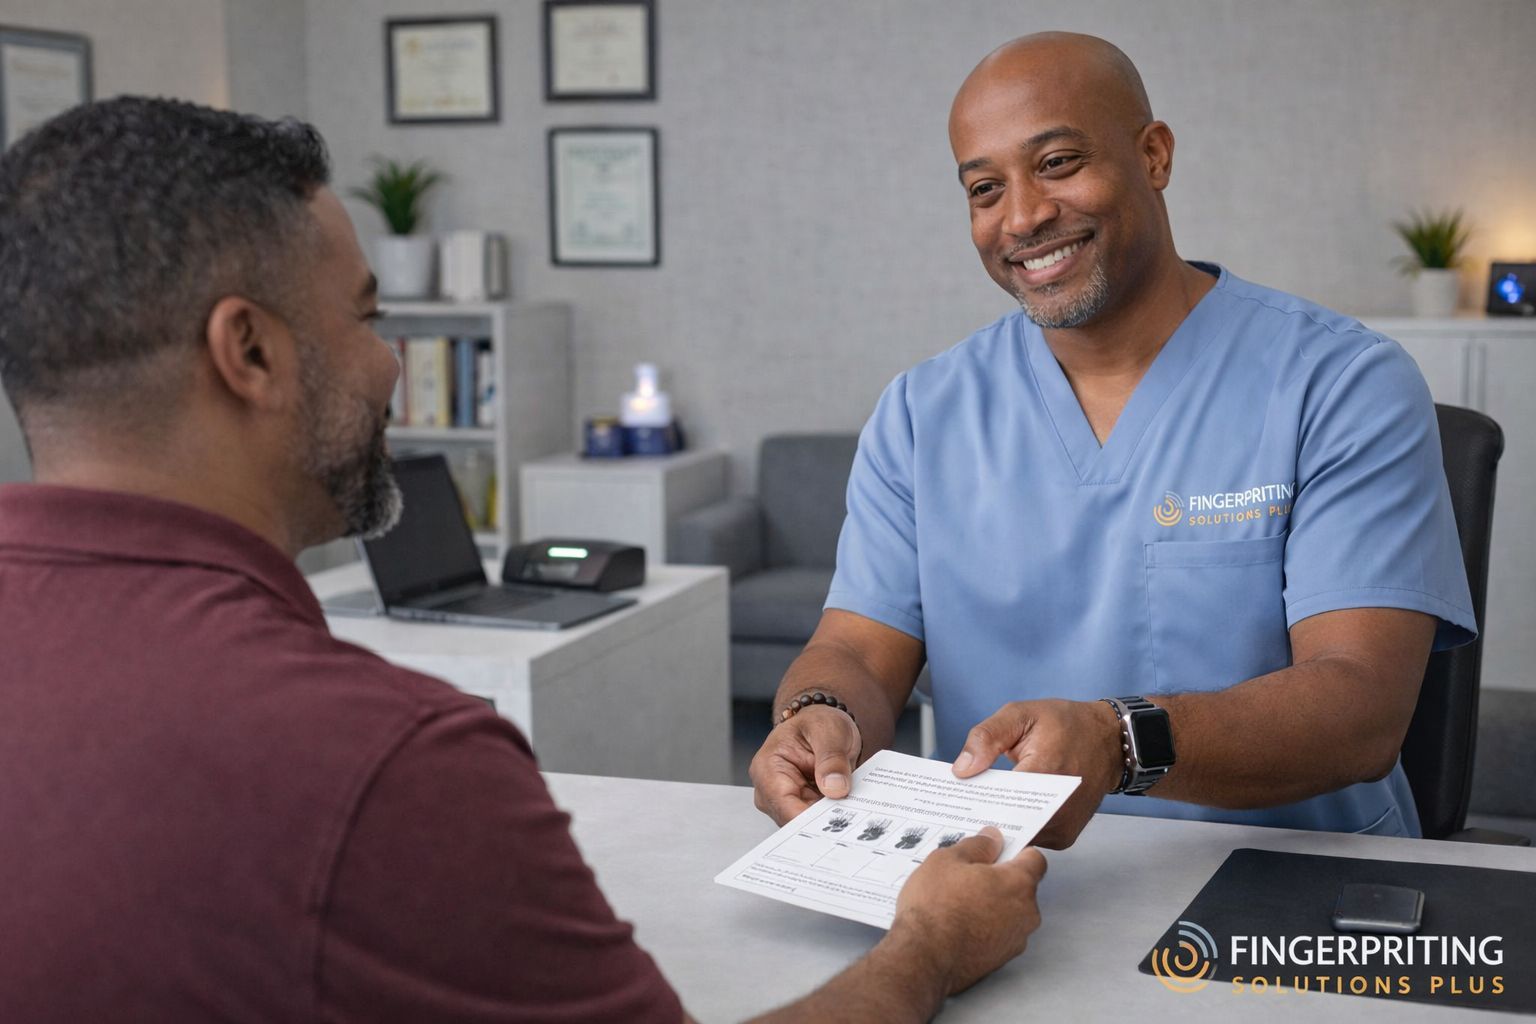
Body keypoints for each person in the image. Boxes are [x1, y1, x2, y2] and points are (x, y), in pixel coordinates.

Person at [0, 97, 1046, 1022]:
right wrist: (930, 948)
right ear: (252, 353)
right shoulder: (389, 763)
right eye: (368, 316)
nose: (390, 360)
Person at [751, 32, 1476, 846]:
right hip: (1008, 885)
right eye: (985, 188)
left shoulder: (1340, 384)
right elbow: (853, 646)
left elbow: (1360, 708)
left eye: (1057, 163)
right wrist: (818, 714)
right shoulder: (924, 412)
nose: (1022, 216)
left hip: (1291, 885)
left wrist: (1117, 742)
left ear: (1155, 154)